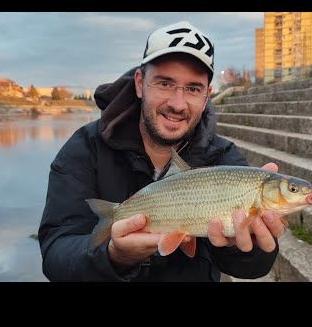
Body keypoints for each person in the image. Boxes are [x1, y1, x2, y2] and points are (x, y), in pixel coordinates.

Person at [38, 21, 285, 282]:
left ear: (206, 96)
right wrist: (113, 256)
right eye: (165, 84)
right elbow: (55, 255)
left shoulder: (223, 158)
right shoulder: (85, 149)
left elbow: (255, 268)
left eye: (192, 89)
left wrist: (244, 248)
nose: (177, 104)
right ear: (139, 84)